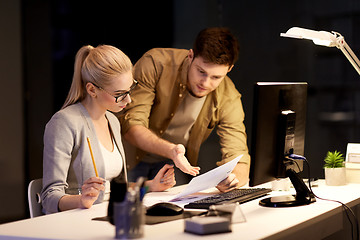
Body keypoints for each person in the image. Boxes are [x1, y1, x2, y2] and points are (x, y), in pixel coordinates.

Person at [41, 45, 175, 214]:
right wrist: (81, 201)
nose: (129, 99)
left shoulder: (112, 120)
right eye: (119, 93)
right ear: (92, 89)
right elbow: (49, 197)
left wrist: (151, 185)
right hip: (77, 222)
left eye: (130, 89)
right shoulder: (64, 123)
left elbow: (113, 189)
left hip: (110, 214)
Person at [118, 27, 250, 192]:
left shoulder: (229, 96)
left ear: (229, 69)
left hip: (172, 165)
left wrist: (233, 179)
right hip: (128, 158)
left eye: (216, 77)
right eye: (201, 71)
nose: (206, 83)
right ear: (190, 56)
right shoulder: (155, 63)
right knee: (121, 210)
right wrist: (171, 150)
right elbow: (131, 126)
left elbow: (239, 154)